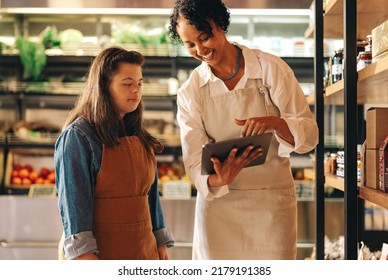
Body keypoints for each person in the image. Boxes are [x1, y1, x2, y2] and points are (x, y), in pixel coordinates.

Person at [168, 0, 319, 260]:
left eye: (205, 37)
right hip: (218, 207)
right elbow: (193, 160)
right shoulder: (191, 92)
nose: (200, 49)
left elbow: (310, 136)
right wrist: (219, 178)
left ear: (221, 25)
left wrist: (276, 123)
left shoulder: (270, 68)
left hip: (270, 204)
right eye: (190, 44)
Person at [54, 47, 174, 260]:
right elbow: (74, 206)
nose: (136, 90)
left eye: (139, 83)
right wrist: (85, 257)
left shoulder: (138, 134)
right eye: (127, 84)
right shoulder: (78, 136)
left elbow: (150, 196)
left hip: (144, 252)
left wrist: (160, 241)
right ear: (103, 87)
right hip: (100, 257)